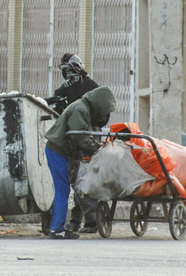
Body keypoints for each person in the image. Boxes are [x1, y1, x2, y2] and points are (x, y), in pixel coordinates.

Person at [44, 86, 116, 239]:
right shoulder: (80, 109)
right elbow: (79, 137)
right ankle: (57, 229)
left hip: (58, 150)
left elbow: (77, 136)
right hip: (57, 151)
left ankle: (56, 227)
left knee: (62, 190)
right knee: (62, 190)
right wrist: (98, 149)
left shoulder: (81, 106)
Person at [53, 53, 101, 233]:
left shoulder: (65, 89)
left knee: (79, 179)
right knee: (85, 178)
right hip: (92, 136)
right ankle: (76, 221)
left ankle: (90, 222)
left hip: (78, 138)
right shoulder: (93, 86)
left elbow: (58, 112)